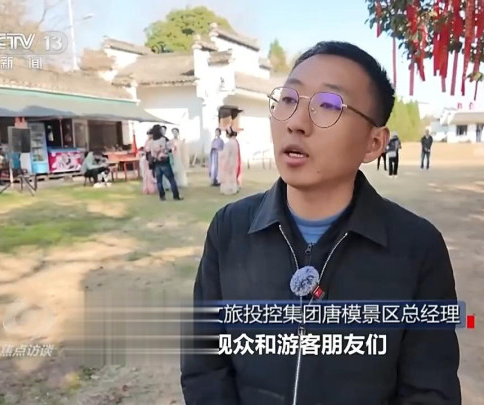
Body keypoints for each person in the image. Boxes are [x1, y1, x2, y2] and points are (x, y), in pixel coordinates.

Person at [181, 41, 460, 405]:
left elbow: (430, 390)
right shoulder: (229, 229)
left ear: (374, 143)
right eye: (288, 99)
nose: (296, 122)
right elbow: (204, 365)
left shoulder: (417, 248)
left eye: (328, 105)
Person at [145, 125, 182, 201]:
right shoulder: (164, 139)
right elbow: (170, 148)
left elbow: (148, 150)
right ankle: (176, 196)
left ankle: (162, 196)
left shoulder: (151, 142)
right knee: (171, 179)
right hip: (164, 161)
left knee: (159, 181)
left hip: (156, 162)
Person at [218, 128, 241, 195]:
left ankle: (228, 189)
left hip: (228, 161)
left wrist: (220, 154)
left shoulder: (228, 143)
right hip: (234, 161)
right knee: (232, 175)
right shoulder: (235, 142)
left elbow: (226, 154)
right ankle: (234, 188)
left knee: (227, 176)